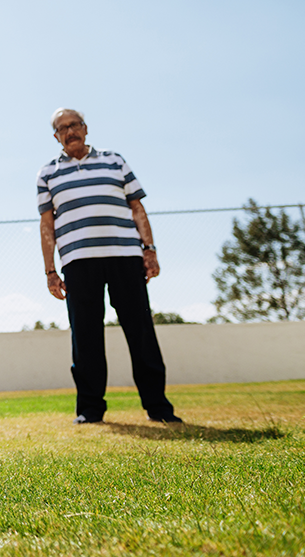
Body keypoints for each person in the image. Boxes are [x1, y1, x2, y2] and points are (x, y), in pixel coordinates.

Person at [36, 108, 183, 425]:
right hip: (77, 261)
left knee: (140, 331)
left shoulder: (115, 160)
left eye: (74, 125)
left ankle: (158, 407)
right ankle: (89, 410)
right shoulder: (47, 173)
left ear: (85, 128)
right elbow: (47, 224)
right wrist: (50, 271)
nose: (70, 131)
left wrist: (150, 250)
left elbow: (137, 207)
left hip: (125, 256)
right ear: (56, 136)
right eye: (62, 128)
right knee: (85, 336)